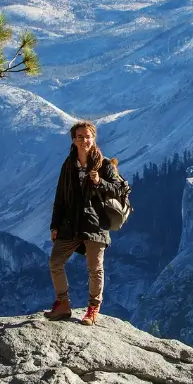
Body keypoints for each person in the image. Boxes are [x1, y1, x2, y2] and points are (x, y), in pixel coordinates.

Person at [46, 120, 130, 325]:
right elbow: (60, 197)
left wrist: (99, 182)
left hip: (95, 224)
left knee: (95, 268)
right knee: (55, 262)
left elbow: (122, 189)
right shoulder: (68, 165)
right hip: (71, 223)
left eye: (88, 136)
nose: (84, 140)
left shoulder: (105, 165)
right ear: (74, 140)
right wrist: (55, 225)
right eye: (80, 137)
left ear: (94, 138)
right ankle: (63, 304)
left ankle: (93, 309)